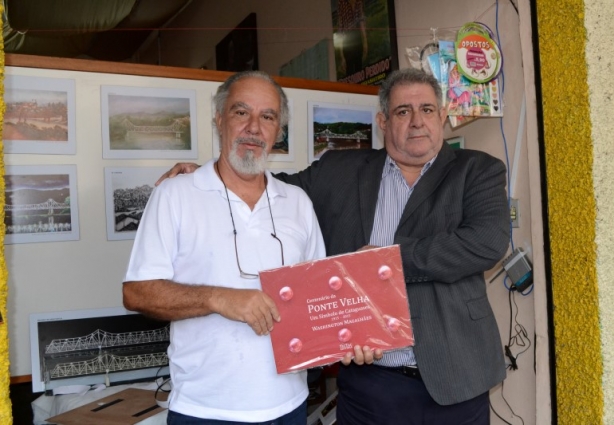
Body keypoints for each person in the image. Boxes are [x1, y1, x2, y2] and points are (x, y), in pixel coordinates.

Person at [157, 68, 510, 425]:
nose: (417, 121)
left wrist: (384, 262)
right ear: (383, 122)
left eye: (428, 110)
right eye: (403, 111)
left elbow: (487, 243)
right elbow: (270, 187)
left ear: (443, 116)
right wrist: (204, 175)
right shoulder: (339, 169)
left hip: (456, 380)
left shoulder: (477, 171)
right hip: (369, 381)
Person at [123, 71, 330, 424]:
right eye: (241, 112)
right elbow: (137, 293)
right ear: (219, 120)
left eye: (267, 117)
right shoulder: (174, 194)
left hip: (290, 405)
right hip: (204, 410)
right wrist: (218, 298)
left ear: (278, 131)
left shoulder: (297, 202)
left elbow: (320, 297)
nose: (254, 127)